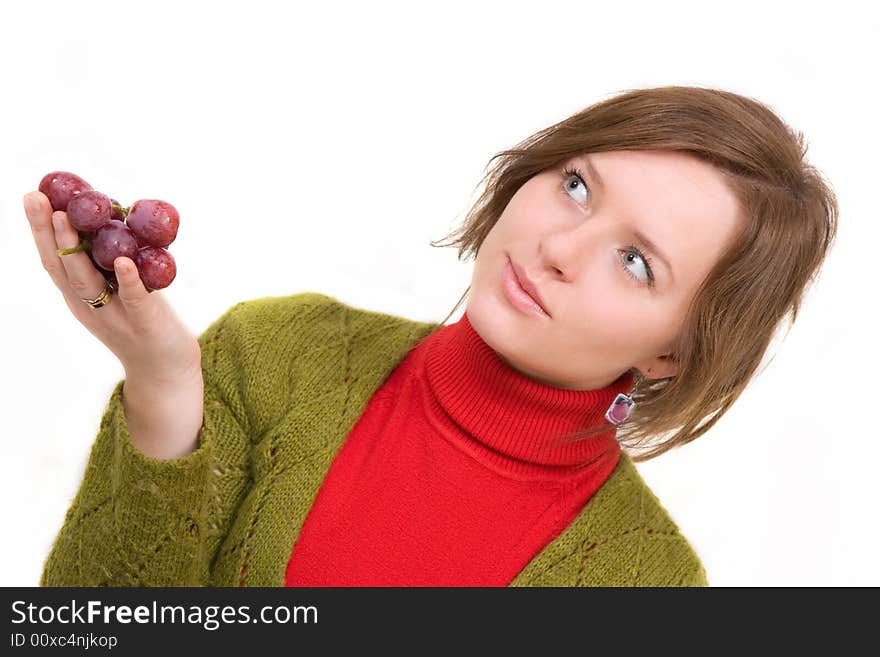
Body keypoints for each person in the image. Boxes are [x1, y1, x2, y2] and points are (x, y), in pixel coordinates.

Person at [26, 85, 838, 587]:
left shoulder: (649, 582)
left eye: (634, 260)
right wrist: (162, 385)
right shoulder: (278, 353)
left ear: (673, 350)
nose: (558, 247)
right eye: (578, 185)